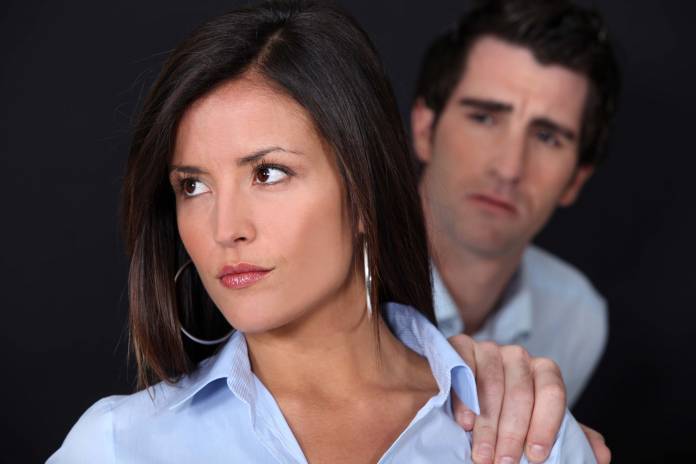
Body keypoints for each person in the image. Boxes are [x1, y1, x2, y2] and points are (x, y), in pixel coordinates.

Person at [48, 1, 596, 463]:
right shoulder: (118, 445)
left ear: (364, 192)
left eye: (268, 173)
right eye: (193, 186)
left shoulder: (521, 431)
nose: (225, 229)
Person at [411, 0, 620, 408]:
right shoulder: (326, 280)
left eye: (547, 137)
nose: (509, 168)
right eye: (484, 118)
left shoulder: (575, 318)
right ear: (424, 129)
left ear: (576, 180)